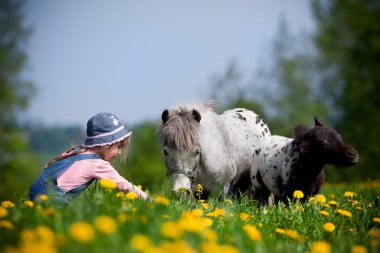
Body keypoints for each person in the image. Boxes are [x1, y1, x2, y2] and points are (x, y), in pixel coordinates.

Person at [29, 112, 148, 203]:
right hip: (52, 197)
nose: (119, 153)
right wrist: (149, 200)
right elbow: (124, 185)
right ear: (106, 144)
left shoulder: (79, 150)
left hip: (37, 189)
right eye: (119, 147)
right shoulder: (98, 164)